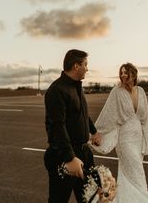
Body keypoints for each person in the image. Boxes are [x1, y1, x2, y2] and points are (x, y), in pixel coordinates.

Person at [92, 62, 148, 203]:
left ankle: (125, 198)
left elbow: (145, 118)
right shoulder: (117, 91)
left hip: (138, 138)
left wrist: (147, 139)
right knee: (135, 168)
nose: (123, 75)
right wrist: (96, 132)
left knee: (136, 170)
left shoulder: (141, 91)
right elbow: (107, 114)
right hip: (125, 138)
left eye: (126, 72)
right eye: (121, 73)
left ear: (133, 74)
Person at [44, 49, 101, 203]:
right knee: (58, 200)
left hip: (84, 154)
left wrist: (94, 131)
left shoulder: (76, 86)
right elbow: (57, 127)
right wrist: (70, 158)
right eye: (85, 65)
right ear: (76, 66)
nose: (87, 69)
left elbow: (82, 113)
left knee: (91, 198)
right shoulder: (57, 90)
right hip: (64, 156)